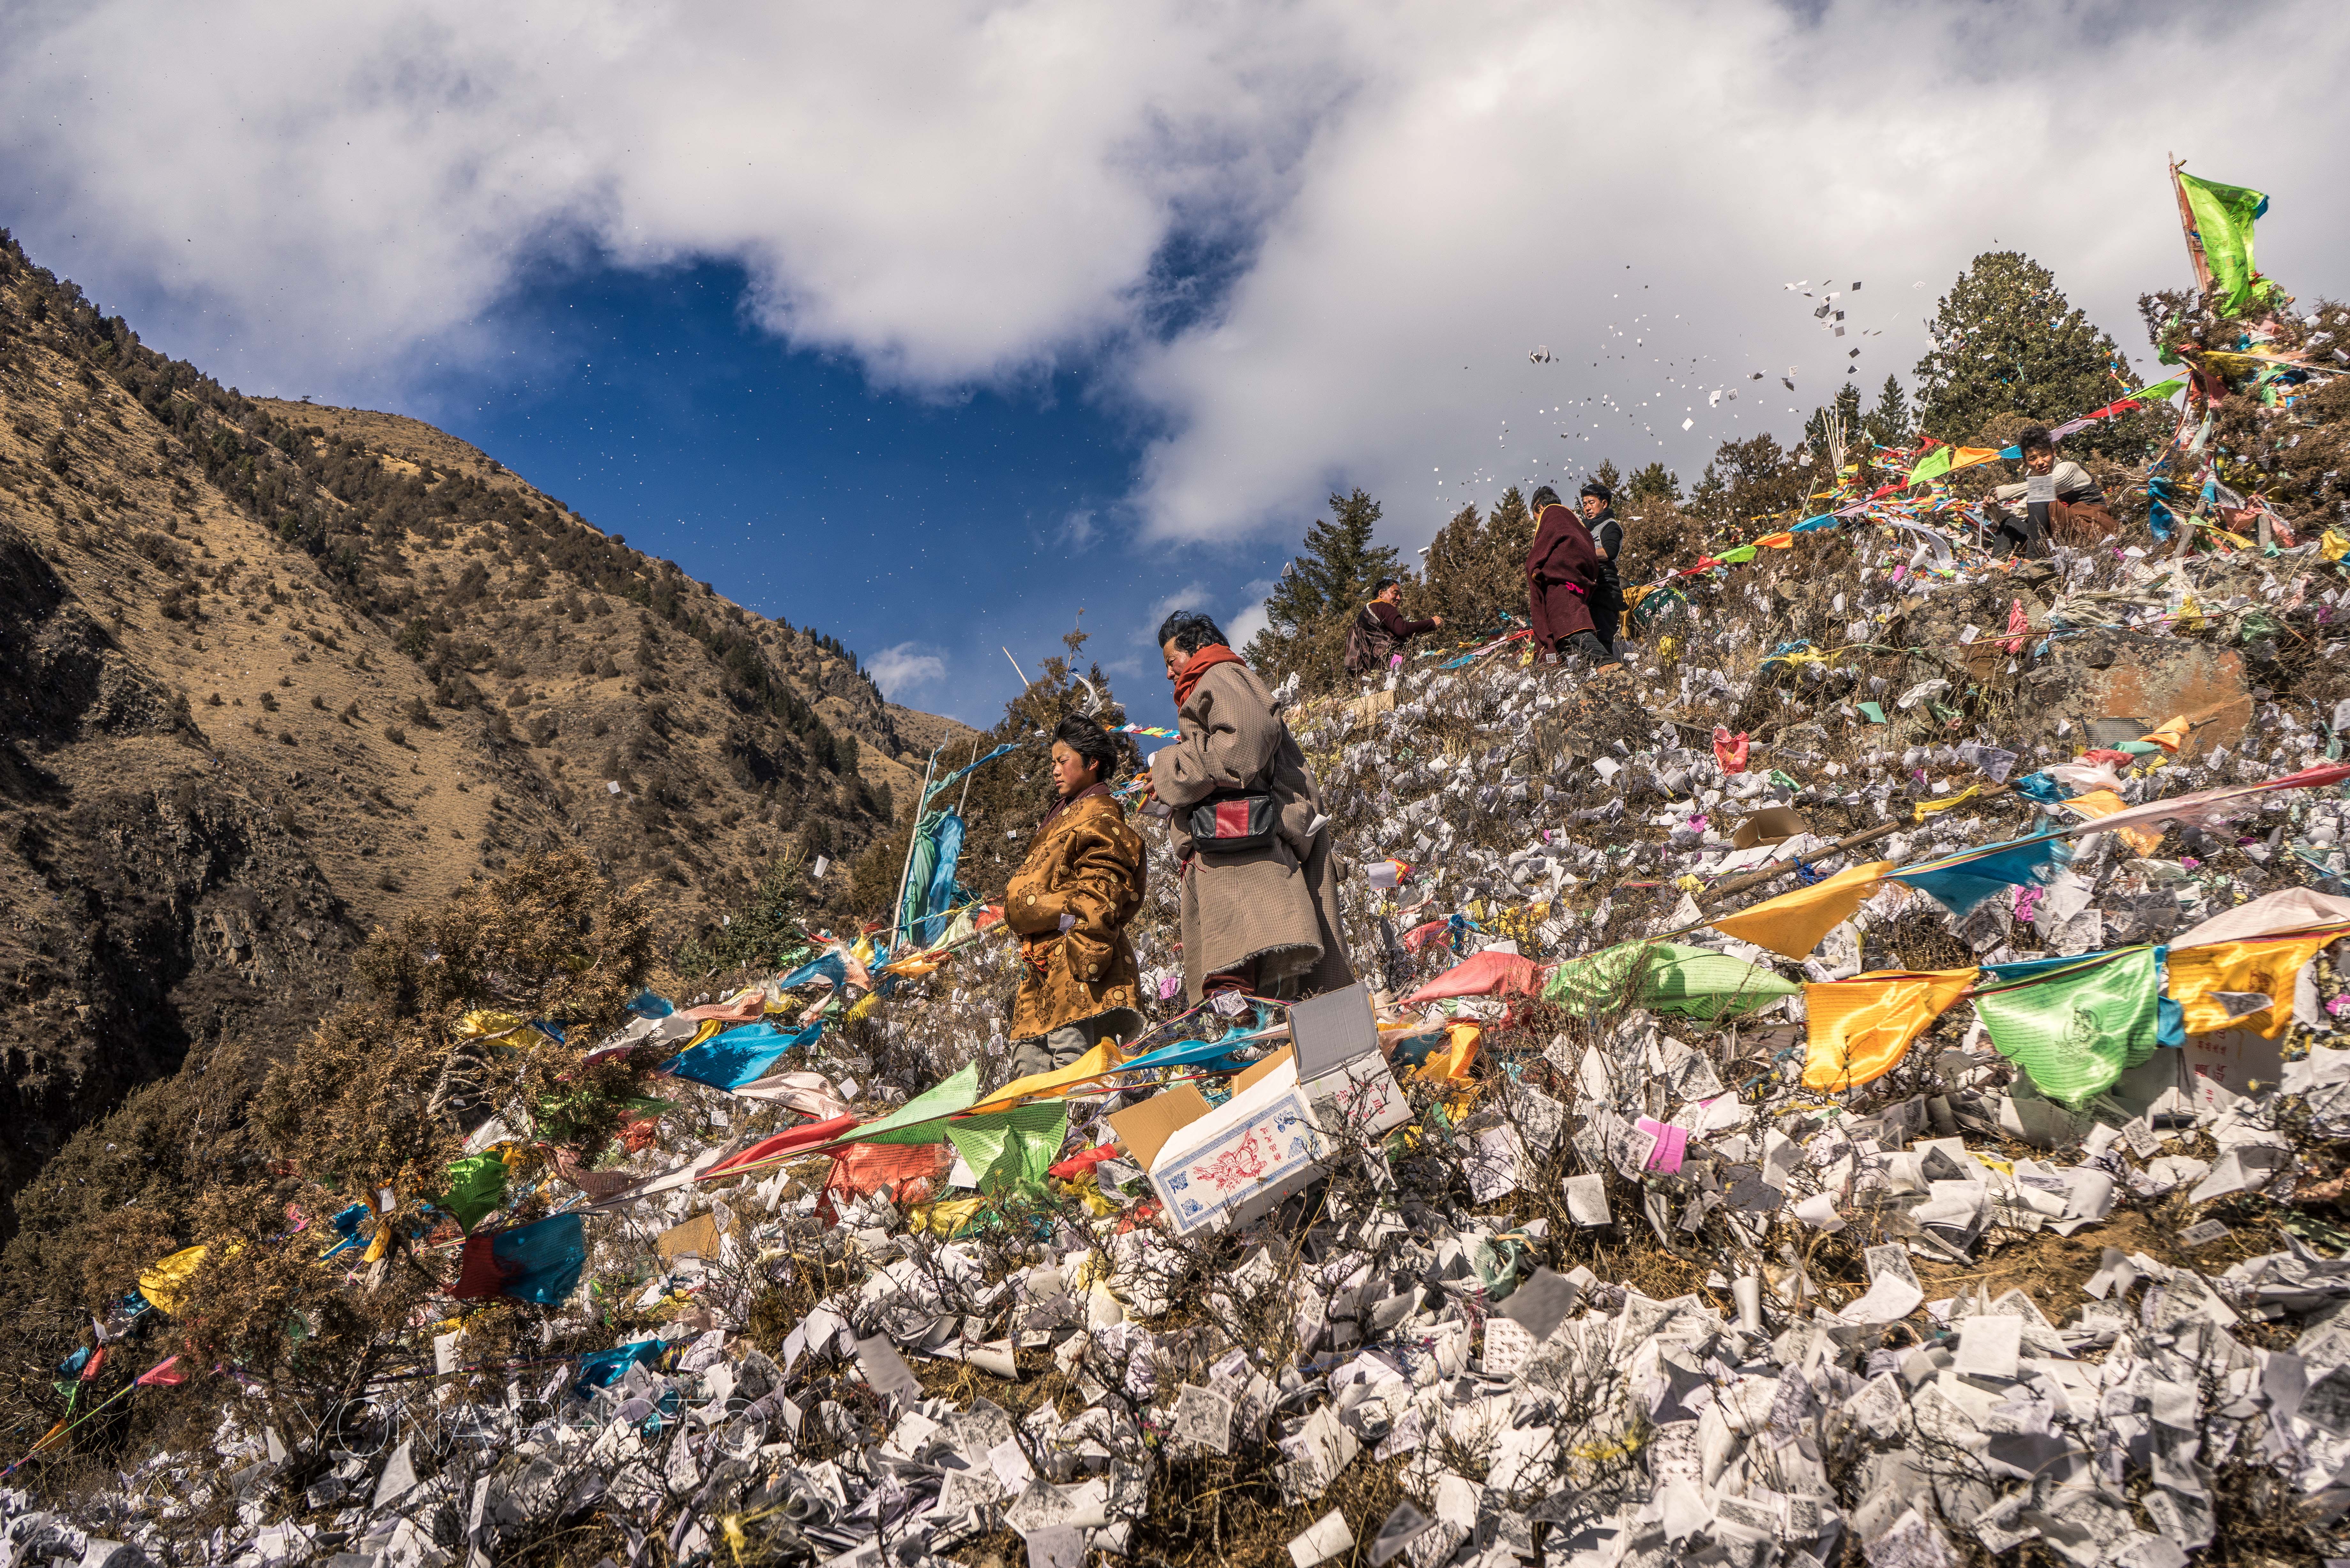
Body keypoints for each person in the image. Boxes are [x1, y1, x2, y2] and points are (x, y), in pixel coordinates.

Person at [1148, 611, 1353, 1005]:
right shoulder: (1213, 681)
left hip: (1242, 846)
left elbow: (1242, 745)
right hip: (1233, 839)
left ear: (1196, 650)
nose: (1169, 674)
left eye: (1171, 662)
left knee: (1242, 962)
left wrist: (1168, 767)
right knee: (1259, 977)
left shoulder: (1216, 674)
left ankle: (1245, 1039)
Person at [1000, 714, 1148, 1080]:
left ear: (1091, 763)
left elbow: (1103, 888)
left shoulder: (1100, 816)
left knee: (1075, 1066)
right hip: (1040, 962)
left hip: (1073, 956)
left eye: (1062, 760)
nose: (1054, 770)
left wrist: (1086, 949)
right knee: (1030, 1070)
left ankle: (1088, 1136)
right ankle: (1042, 1138)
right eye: (1053, 762)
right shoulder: (1064, 816)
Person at [1524, 485, 1617, 666]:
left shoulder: (1552, 515)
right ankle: (1593, 672)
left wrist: (1535, 569)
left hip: (1561, 583)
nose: (1539, 524)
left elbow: (1539, 554)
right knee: (1566, 635)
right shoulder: (1574, 520)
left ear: (1541, 508)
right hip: (1580, 582)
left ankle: (1607, 663)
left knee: (1569, 627)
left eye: (1537, 519)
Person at [1986, 426, 2118, 554]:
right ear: (2026, 463)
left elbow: (2054, 482)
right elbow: (2019, 514)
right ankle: (1997, 566)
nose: (2040, 462)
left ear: (2054, 452)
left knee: (2040, 494)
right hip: (2064, 534)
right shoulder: (2037, 486)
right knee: (2009, 524)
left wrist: (2004, 492)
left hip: (2093, 527)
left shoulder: (2069, 468)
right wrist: (1994, 509)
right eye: (2033, 459)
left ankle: (2033, 558)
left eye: (2044, 455)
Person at [1343, 577, 1443, 678]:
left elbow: (1352, 654)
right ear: (1382, 593)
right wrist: (1432, 623)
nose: (1399, 598)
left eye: (1400, 595)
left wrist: (1360, 676)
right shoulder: (1384, 606)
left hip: (1374, 675)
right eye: (1395, 593)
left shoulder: (1360, 620)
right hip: (1395, 664)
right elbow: (1402, 629)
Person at [1577, 480, 1626, 651]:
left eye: (1592, 503)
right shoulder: (1585, 529)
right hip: (1589, 588)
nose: (1587, 508)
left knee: (1603, 641)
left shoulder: (1610, 526)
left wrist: (1581, 554)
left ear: (1604, 504)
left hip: (1605, 587)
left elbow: (1610, 552)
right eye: (1584, 505)